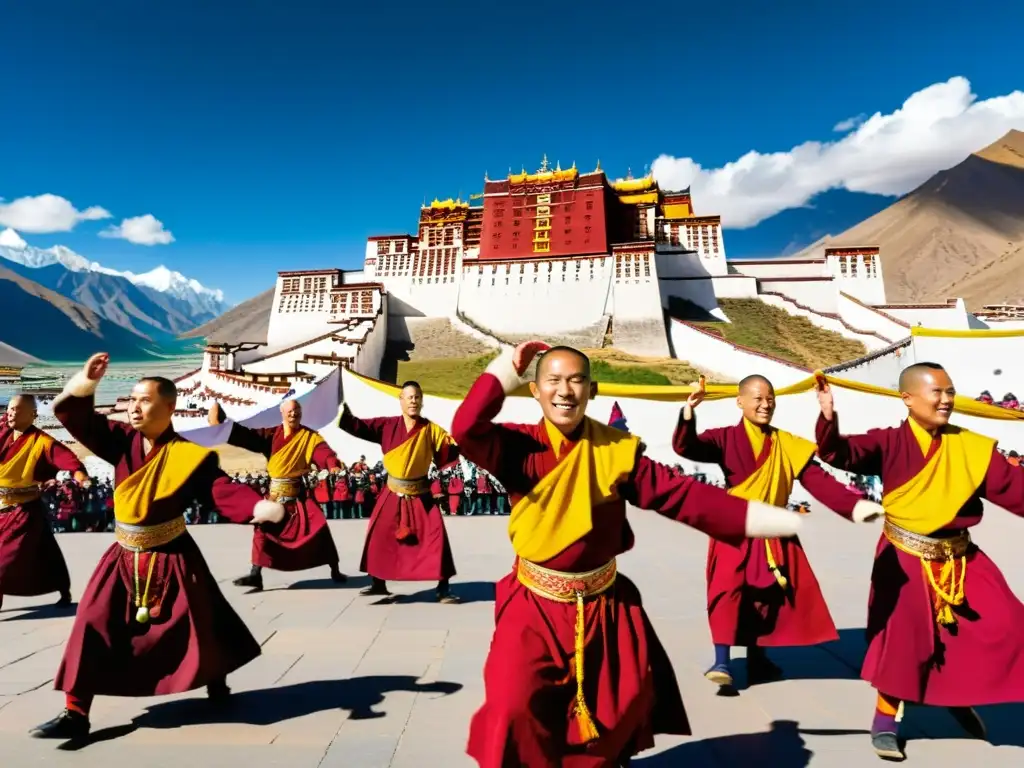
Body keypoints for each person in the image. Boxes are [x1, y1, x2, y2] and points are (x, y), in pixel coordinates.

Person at [451, 342, 805, 767]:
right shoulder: (517, 447)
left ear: (592, 390)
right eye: (554, 381)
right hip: (534, 605)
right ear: (535, 392)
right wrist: (507, 368)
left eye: (576, 381)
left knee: (616, 709)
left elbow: (678, 494)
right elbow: (467, 428)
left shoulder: (616, 449)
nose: (566, 391)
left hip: (604, 603)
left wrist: (750, 518)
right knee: (513, 703)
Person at [31, 353, 283, 741]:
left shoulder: (188, 455)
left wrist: (255, 506)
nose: (134, 407)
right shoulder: (120, 441)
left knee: (200, 619)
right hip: (122, 553)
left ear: (170, 407)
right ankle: (75, 713)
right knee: (92, 620)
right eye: (131, 400)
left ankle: (216, 680)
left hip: (172, 551)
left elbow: (219, 490)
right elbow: (72, 415)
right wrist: (86, 382)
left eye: (144, 400)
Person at [815, 362, 1024, 761]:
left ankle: (958, 692)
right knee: (906, 643)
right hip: (905, 556)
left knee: (1008, 622)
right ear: (908, 399)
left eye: (950, 391)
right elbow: (842, 453)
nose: (946, 399)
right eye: (936, 392)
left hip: (960, 556)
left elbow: (1014, 488)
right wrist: (828, 421)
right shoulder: (888, 442)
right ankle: (884, 721)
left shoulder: (972, 447)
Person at [673, 374, 883, 688]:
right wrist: (688, 414)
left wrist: (853, 506)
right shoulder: (724, 438)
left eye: (770, 398)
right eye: (757, 398)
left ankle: (759, 659)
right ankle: (722, 660)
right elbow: (688, 447)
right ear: (740, 402)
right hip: (734, 528)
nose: (765, 404)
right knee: (726, 592)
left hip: (773, 529)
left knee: (768, 595)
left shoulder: (787, 444)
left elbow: (817, 480)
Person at [338, 380, 460, 603]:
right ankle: (377, 583)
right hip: (392, 491)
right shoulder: (387, 426)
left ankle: (443, 587)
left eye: (417, 397)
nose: (413, 401)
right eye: (409, 397)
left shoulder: (431, 429)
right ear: (401, 401)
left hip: (421, 493)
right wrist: (342, 412)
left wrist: (459, 440)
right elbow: (360, 426)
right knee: (378, 535)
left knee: (436, 538)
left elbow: (448, 447)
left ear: (422, 401)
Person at [209, 399, 347, 591]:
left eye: (297, 410)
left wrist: (331, 463)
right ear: (282, 413)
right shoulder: (271, 435)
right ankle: (255, 574)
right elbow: (246, 436)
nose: (293, 414)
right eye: (289, 411)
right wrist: (224, 423)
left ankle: (335, 570)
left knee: (320, 529)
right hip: (275, 497)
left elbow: (322, 452)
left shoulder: (309, 436)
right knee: (261, 532)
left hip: (298, 497)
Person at [0, 394, 88, 612]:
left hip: (23, 510)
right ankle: (62, 588)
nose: (11, 413)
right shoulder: (3, 432)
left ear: (33, 415)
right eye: (10, 409)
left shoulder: (43, 442)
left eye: (18, 410)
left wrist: (79, 475)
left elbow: (68, 460)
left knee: (3, 556)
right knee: (46, 552)